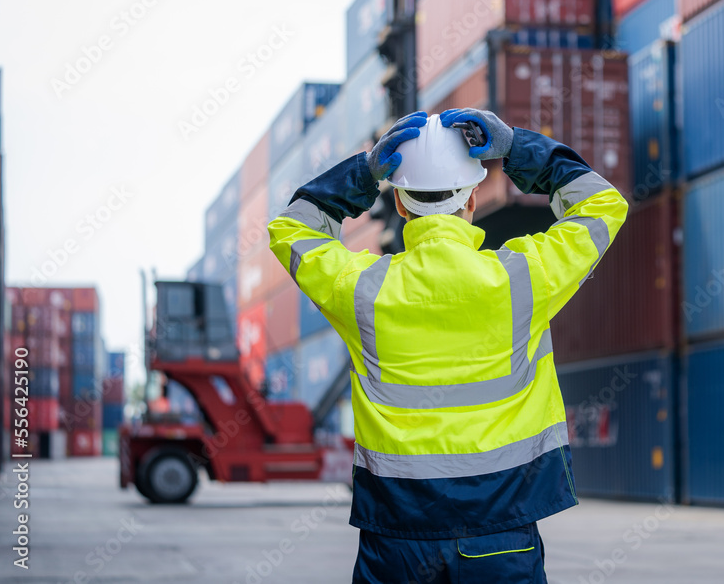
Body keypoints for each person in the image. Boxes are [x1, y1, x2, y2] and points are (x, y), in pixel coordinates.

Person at [268, 108, 628, 582]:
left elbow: (290, 229)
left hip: (396, 536)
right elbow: (603, 205)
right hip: (502, 529)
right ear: (473, 197)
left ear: (399, 204)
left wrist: (364, 172)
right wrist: (517, 148)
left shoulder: (362, 290)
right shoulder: (522, 277)